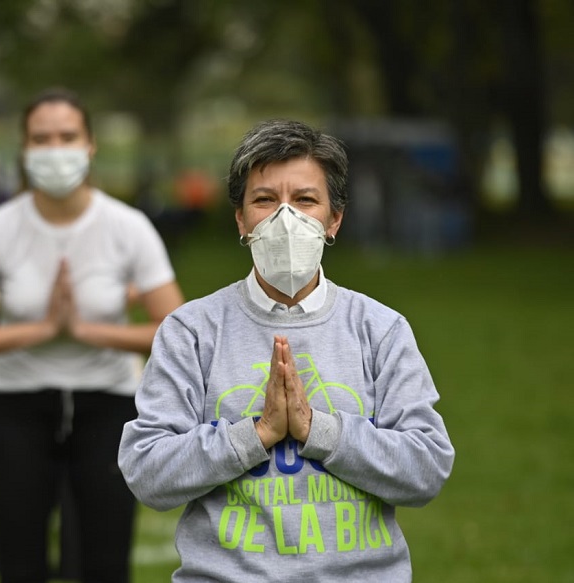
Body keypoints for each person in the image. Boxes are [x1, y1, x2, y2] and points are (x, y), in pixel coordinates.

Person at [118, 119, 455, 582]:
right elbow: (148, 472)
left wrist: (319, 430)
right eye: (264, 200)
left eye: (305, 199)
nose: (285, 218)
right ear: (241, 219)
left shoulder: (381, 329)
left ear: (334, 219)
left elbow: (426, 467)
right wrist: (257, 435)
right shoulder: (191, 331)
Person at [0, 87, 185, 582]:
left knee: (103, 562)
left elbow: (176, 333)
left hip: (109, 408)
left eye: (67, 136)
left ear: (90, 145)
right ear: (24, 149)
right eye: (41, 139)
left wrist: (86, 331)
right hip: (16, 408)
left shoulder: (127, 227)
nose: (55, 150)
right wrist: (41, 330)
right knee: (19, 561)